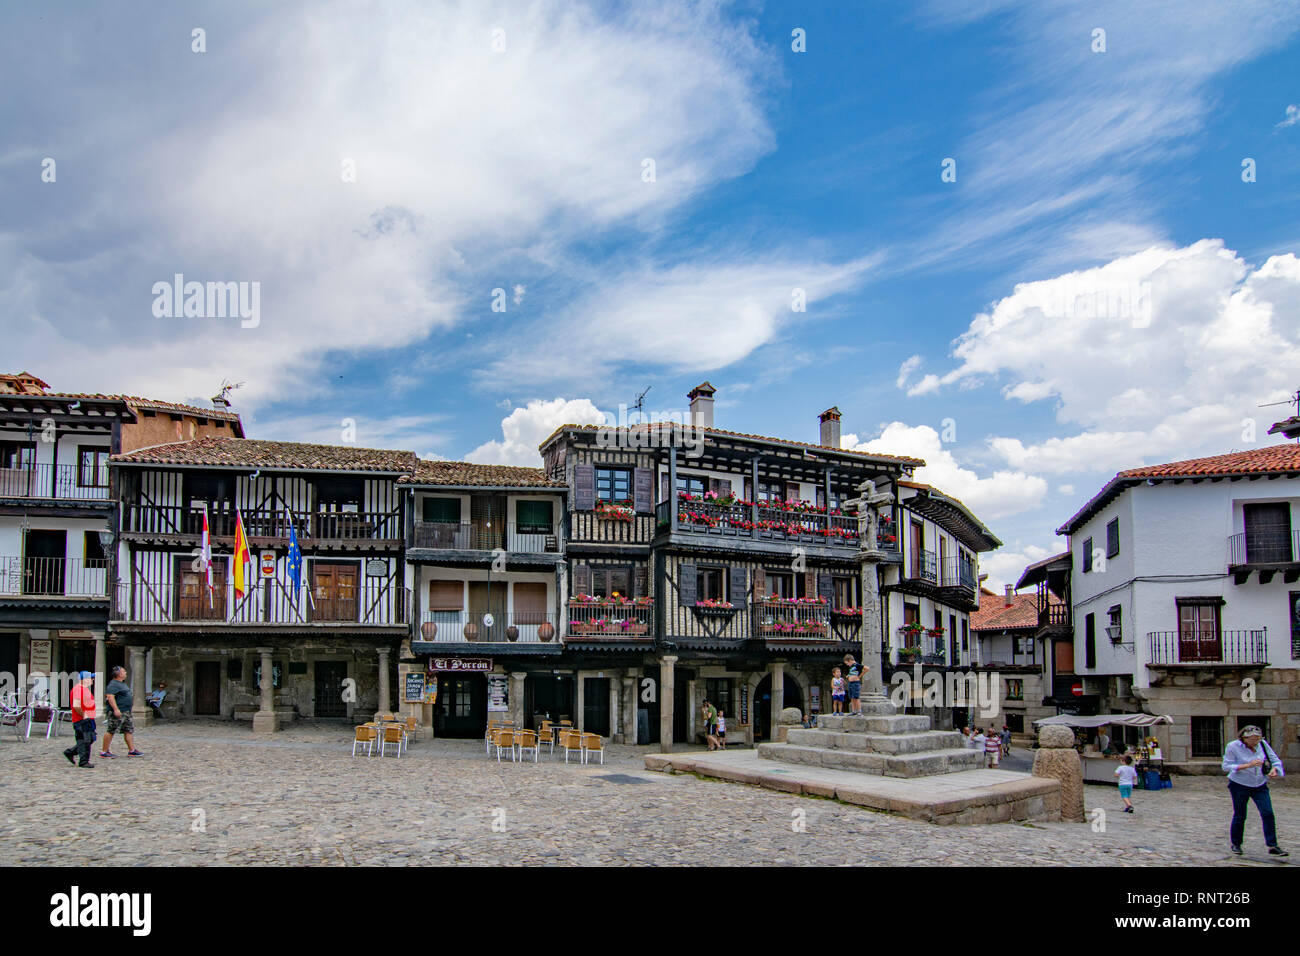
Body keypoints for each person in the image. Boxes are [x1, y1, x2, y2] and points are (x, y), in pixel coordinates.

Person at [1222, 725, 1288, 856]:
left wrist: (1274, 769)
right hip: (1239, 784)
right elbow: (1226, 766)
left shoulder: (1262, 744)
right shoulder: (1233, 746)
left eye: (1257, 739)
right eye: (1252, 739)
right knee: (1240, 814)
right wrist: (1248, 765)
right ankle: (1236, 843)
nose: (1255, 742)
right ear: (1244, 738)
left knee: (1267, 813)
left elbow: (1274, 760)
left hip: (1259, 784)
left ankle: (1272, 845)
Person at [100, 665, 143, 758]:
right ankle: (104, 751)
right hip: (118, 712)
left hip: (126, 712)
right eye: (124, 672)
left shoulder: (122, 683)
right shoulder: (113, 684)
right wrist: (116, 709)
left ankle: (132, 750)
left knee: (128, 730)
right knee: (111, 730)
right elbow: (110, 697)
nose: (125, 673)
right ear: (118, 674)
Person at [62, 672, 97, 768]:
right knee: (85, 740)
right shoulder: (78, 690)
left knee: (88, 739)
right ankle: (83, 761)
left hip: (86, 719)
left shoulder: (83, 689)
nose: (92, 680)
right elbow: (76, 705)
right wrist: (85, 715)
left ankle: (71, 753)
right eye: (90, 678)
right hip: (82, 720)